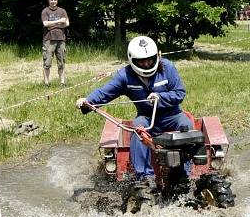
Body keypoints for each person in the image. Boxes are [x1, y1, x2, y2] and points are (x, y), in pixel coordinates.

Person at [76, 35, 192, 183]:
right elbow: (106, 92)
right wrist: (88, 101)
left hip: (172, 115)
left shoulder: (167, 67)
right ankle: (144, 177)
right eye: (142, 61)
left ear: (157, 56)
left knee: (187, 126)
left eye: (150, 59)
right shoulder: (125, 76)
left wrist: (160, 97)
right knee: (138, 128)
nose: (147, 63)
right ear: (133, 60)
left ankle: (185, 175)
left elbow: (179, 93)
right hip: (147, 117)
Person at [41, 0, 69, 86]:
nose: (53, 1)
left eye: (55, 0)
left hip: (61, 39)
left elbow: (67, 23)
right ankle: (46, 83)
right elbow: (45, 24)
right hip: (48, 39)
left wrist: (52, 24)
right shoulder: (45, 11)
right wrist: (58, 22)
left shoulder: (62, 11)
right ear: (49, 1)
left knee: (61, 62)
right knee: (47, 62)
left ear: (57, 1)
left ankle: (62, 82)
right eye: (51, 0)